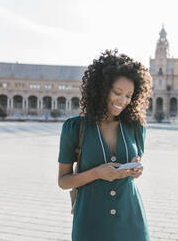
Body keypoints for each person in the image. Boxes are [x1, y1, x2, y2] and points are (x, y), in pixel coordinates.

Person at [57, 50, 152, 241]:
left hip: (131, 221)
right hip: (91, 224)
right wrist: (97, 173)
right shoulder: (75, 127)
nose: (123, 101)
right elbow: (63, 181)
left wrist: (136, 169)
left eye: (128, 95)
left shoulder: (136, 127)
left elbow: (137, 160)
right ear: (102, 88)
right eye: (117, 92)